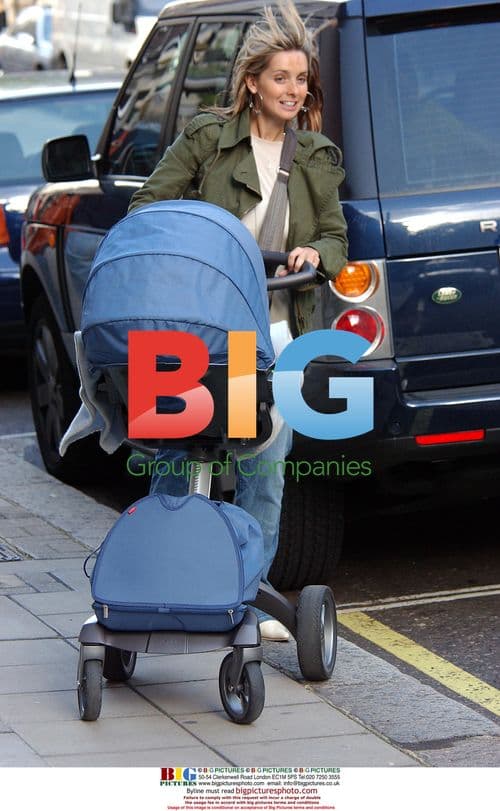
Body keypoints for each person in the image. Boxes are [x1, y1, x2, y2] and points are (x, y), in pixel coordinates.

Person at [128, 0, 348, 641]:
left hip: (273, 330)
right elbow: (148, 206)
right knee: (176, 456)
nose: (293, 90)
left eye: (301, 79)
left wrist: (316, 252)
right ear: (252, 80)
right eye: (281, 78)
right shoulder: (205, 138)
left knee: (264, 467)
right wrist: (200, 241)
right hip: (192, 330)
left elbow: (336, 235)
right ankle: (167, 586)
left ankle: (245, 595)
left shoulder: (315, 155)